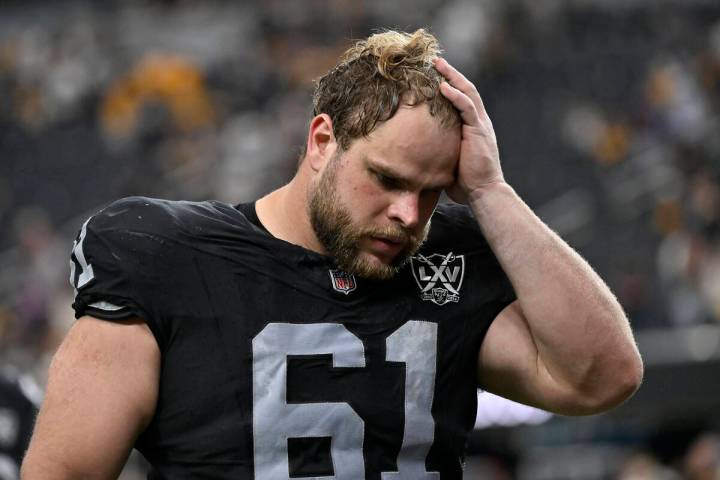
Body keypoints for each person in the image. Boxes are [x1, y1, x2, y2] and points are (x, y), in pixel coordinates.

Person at [22, 29, 643, 479]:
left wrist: (490, 191)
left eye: (432, 193)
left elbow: (602, 376)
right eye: (389, 179)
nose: (409, 214)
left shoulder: (448, 260)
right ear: (322, 140)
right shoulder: (165, 256)